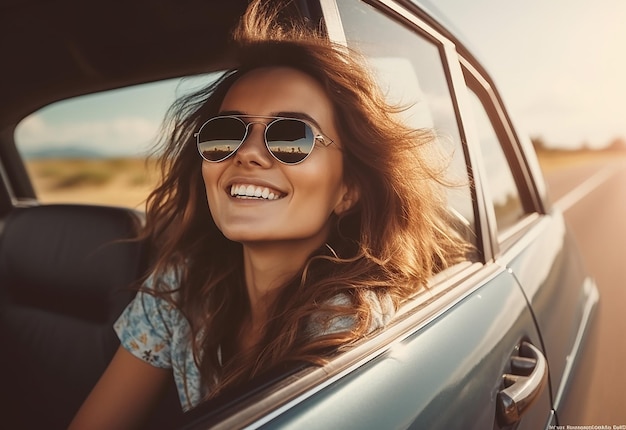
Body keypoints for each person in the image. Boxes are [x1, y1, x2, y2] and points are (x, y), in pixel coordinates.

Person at [69, 1, 468, 428]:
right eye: (226, 133)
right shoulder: (181, 283)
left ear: (347, 191)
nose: (249, 153)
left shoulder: (347, 326)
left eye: (291, 137)